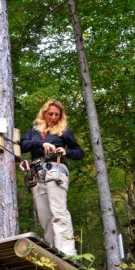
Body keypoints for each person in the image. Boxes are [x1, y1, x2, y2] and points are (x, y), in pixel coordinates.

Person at [20, 99, 84, 256]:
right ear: (44, 114)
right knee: (45, 217)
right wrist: (40, 145)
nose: (54, 117)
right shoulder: (33, 131)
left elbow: (79, 153)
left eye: (57, 114)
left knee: (58, 211)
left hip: (56, 169)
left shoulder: (64, 131)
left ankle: (68, 253)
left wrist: (65, 151)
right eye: (50, 114)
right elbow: (22, 144)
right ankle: (53, 252)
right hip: (36, 172)